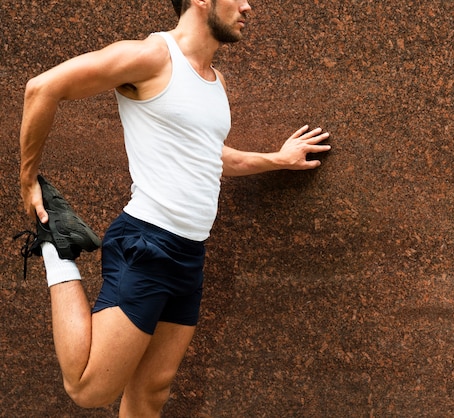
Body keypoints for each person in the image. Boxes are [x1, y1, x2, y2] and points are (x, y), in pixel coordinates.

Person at [17, 0, 330, 416]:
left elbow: (211, 158)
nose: (247, 6)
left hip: (189, 255)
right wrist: (28, 181)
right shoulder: (151, 56)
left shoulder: (215, 82)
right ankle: (58, 248)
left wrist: (278, 159)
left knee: (153, 391)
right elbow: (42, 88)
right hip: (147, 243)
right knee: (88, 389)